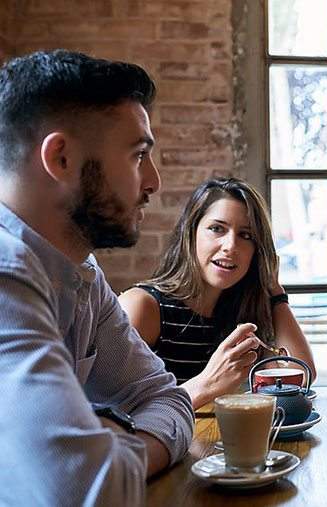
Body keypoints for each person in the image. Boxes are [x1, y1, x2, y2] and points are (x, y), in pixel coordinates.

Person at [0, 50, 194, 505]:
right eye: (138, 155)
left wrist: (118, 447)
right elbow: (91, 488)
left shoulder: (80, 273)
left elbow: (168, 398)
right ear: (62, 158)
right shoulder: (6, 275)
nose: (154, 181)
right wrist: (120, 452)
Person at [119, 177, 316, 410]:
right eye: (216, 229)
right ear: (190, 233)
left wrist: (275, 292)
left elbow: (300, 376)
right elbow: (111, 413)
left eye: (246, 235)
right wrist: (207, 383)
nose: (230, 246)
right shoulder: (142, 306)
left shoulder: (242, 312)